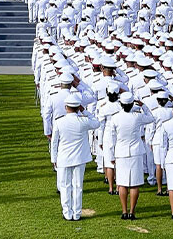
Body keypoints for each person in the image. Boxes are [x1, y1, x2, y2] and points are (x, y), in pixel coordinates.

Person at [50, 93, 100, 221]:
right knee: (78, 186)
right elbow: (96, 123)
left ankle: (67, 212)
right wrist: (85, 111)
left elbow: (54, 142)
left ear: (66, 107)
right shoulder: (83, 120)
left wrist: (53, 159)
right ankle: (76, 213)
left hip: (64, 158)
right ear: (78, 108)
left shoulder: (59, 121)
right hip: (79, 158)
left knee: (65, 185)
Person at [105, 92, 154, 220]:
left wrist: (111, 155)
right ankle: (132, 211)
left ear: (121, 104)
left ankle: (124, 211)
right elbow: (151, 117)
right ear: (132, 104)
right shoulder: (137, 117)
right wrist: (143, 105)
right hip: (135, 152)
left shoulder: (115, 118)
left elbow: (112, 139)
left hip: (121, 153)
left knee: (122, 183)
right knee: (134, 184)